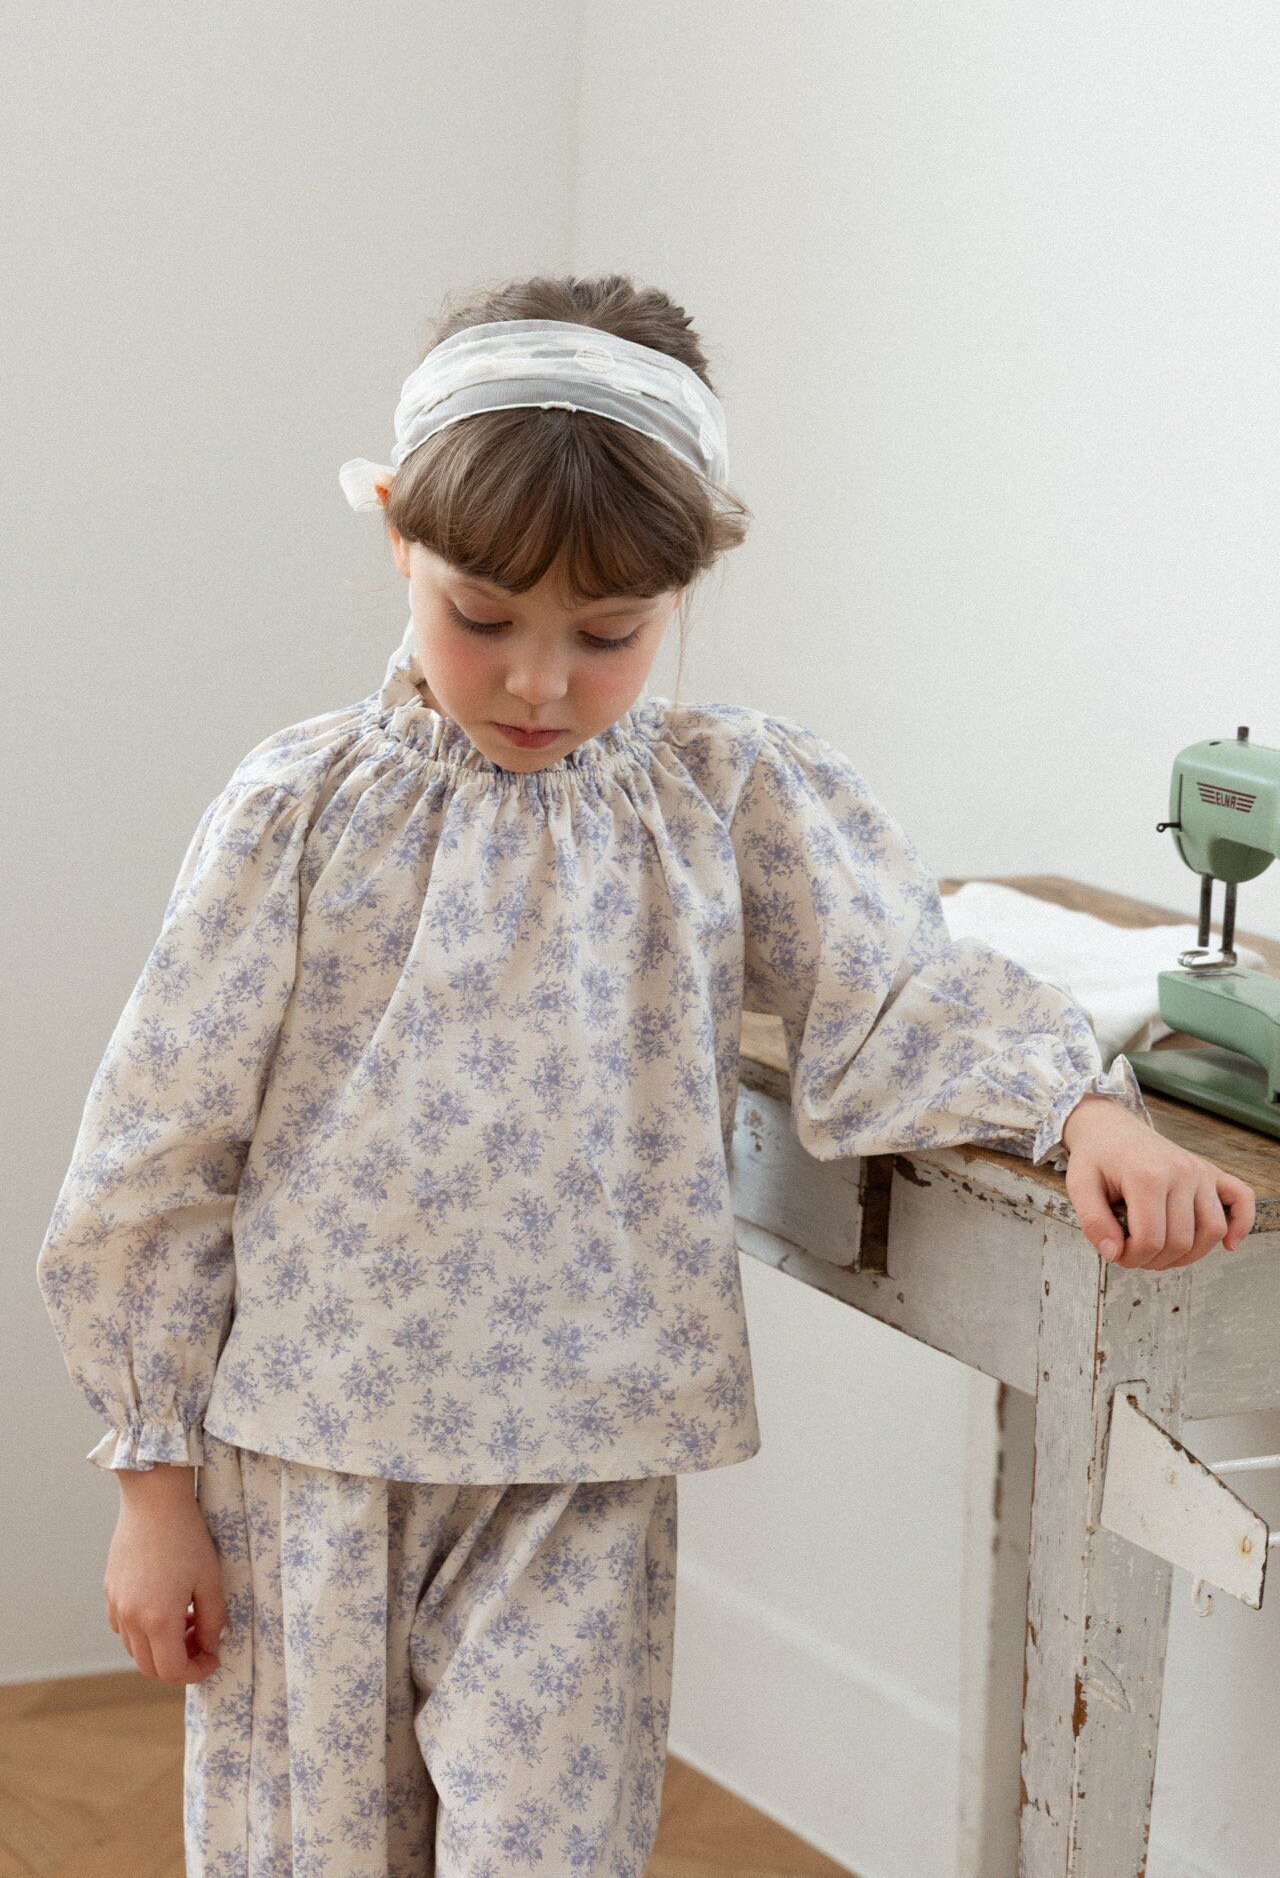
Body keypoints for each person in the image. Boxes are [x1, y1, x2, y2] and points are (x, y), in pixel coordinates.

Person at [36, 271, 1255, 1877]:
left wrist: (1081, 1109)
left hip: (583, 1469)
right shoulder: (301, 812)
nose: (539, 682)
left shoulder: (725, 799)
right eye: (484, 618)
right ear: (398, 534)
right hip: (308, 1468)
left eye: (608, 635)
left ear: (685, 588)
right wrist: (152, 1483)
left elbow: (895, 990)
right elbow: (158, 1149)